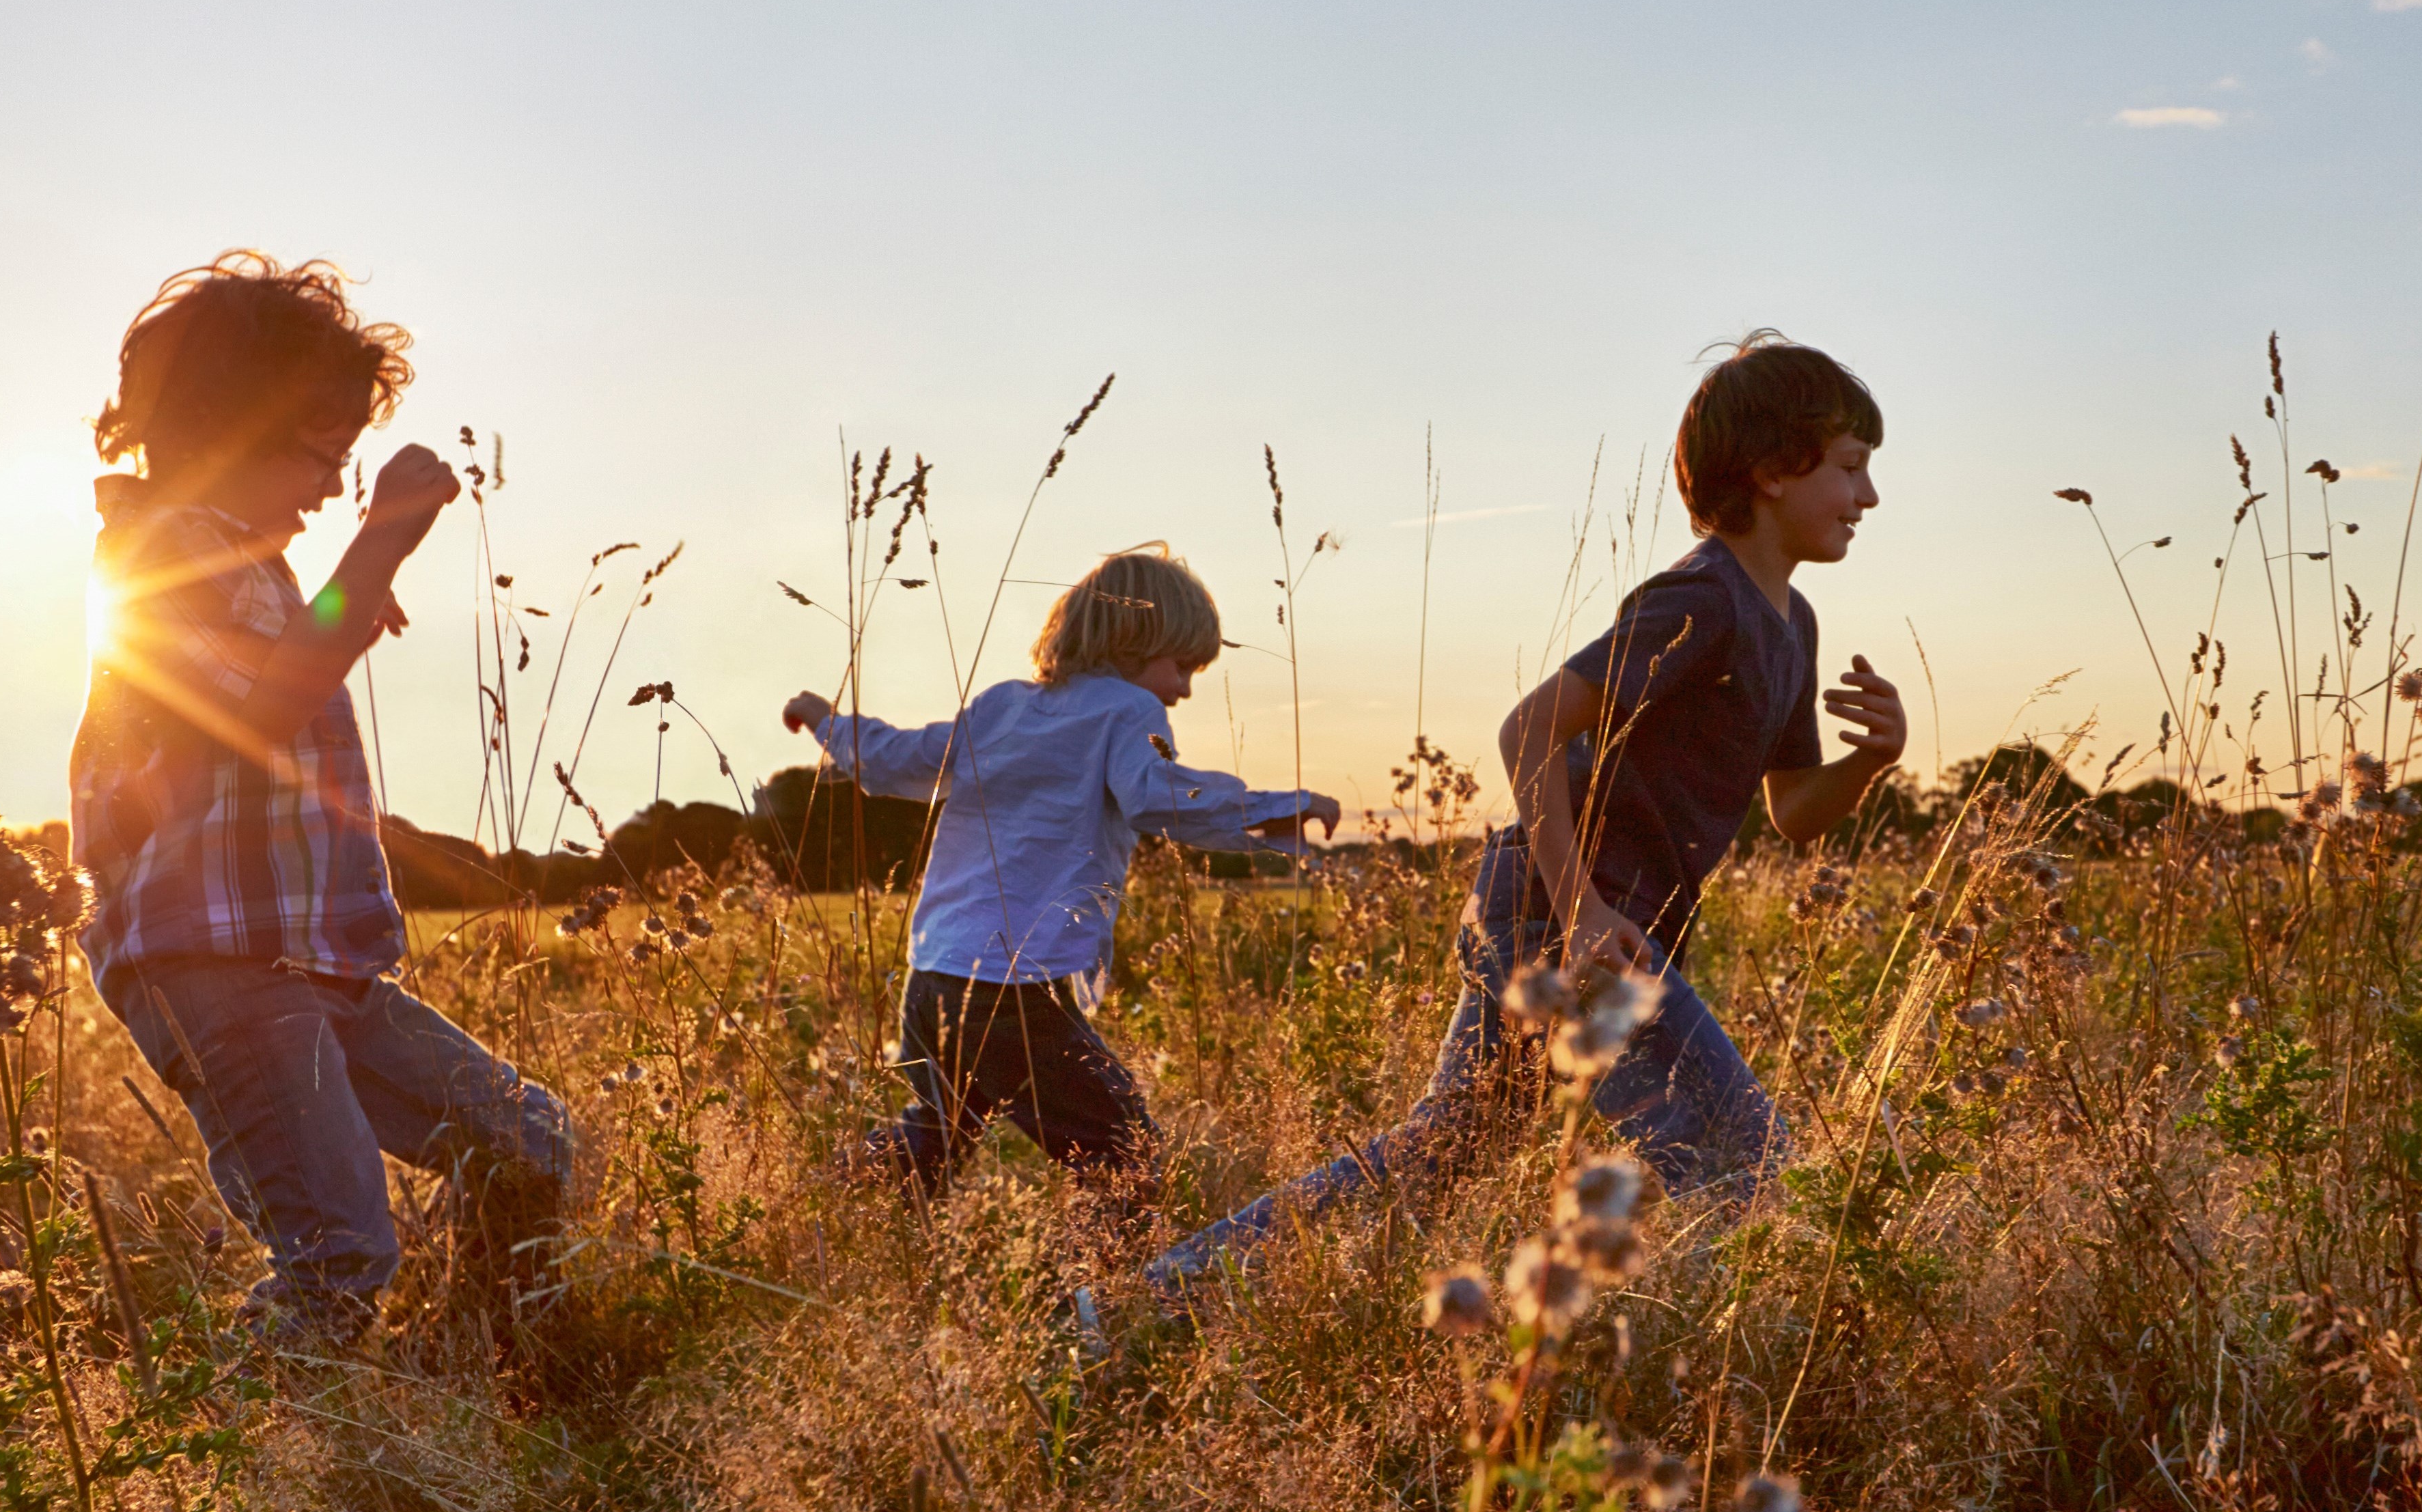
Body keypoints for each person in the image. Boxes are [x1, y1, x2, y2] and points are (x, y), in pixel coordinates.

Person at [1150, 332, 1908, 1291]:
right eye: (1850, 469)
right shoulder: (1699, 600)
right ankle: (1742, 1384)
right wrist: (1583, 907)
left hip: (1583, 919)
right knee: (1745, 1165)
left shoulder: (1788, 624)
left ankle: (1152, 1298)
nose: (1867, 498)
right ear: (1768, 469)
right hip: (1568, 918)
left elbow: (1794, 809)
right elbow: (1530, 729)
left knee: (1435, 1151)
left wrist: (1871, 760)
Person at [72, 253, 572, 1351]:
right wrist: (382, 536)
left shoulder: (253, 568)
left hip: (314, 958)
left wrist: (356, 589)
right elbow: (262, 708)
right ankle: (284, 1451)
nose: (329, 486)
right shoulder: (160, 551)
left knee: (531, 1143)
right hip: (217, 961)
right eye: (318, 453)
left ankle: (481, 1357)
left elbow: (283, 675)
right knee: (337, 1246)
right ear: (226, 425)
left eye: (347, 464)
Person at [780, 548, 1337, 1257]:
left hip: (936, 977)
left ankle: (819, 1215)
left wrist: (828, 721)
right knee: (1122, 1147)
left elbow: (896, 759)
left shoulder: (1001, 708)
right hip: (1013, 989)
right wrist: (1280, 809)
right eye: (1183, 667)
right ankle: (1098, 1295)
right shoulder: (1127, 710)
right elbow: (1158, 796)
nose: (1185, 691)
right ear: (1133, 643)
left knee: (937, 1130)